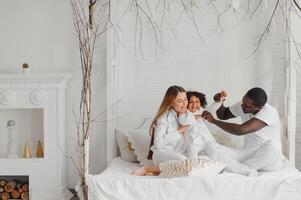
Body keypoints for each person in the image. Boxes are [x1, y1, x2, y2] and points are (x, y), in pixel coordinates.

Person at [202, 87, 284, 172]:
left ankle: (240, 167)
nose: (242, 106)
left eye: (247, 106)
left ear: (259, 108)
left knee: (273, 146)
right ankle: (244, 168)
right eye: (243, 102)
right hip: (249, 154)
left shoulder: (269, 112)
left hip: (269, 159)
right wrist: (219, 102)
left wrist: (214, 121)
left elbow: (240, 130)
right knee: (213, 147)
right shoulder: (244, 105)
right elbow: (223, 114)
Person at [133, 85, 189, 176]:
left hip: (177, 153)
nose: (184, 104)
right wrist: (178, 131)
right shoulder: (163, 118)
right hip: (162, 153)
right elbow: (158, 144)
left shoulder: (186, 116)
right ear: (171, 103)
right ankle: (148, 169)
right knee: (185, 162)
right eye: (179, 101)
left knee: (197, 161)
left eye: (185, 99)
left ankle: (159, 171)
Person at [178, 91, 218, 159]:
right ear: (186, 103)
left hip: (206, 138)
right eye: (191, 102)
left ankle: (212, 166)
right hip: (193, 140)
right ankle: (195, 166)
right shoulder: (184, 113)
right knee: (192, 157)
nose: (194, 104)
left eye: (197, 102)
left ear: (201, 103)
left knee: (214, 154)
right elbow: (183, 122)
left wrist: (217, 102)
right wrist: (195, 117)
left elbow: (210, 110)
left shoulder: (201, 111)